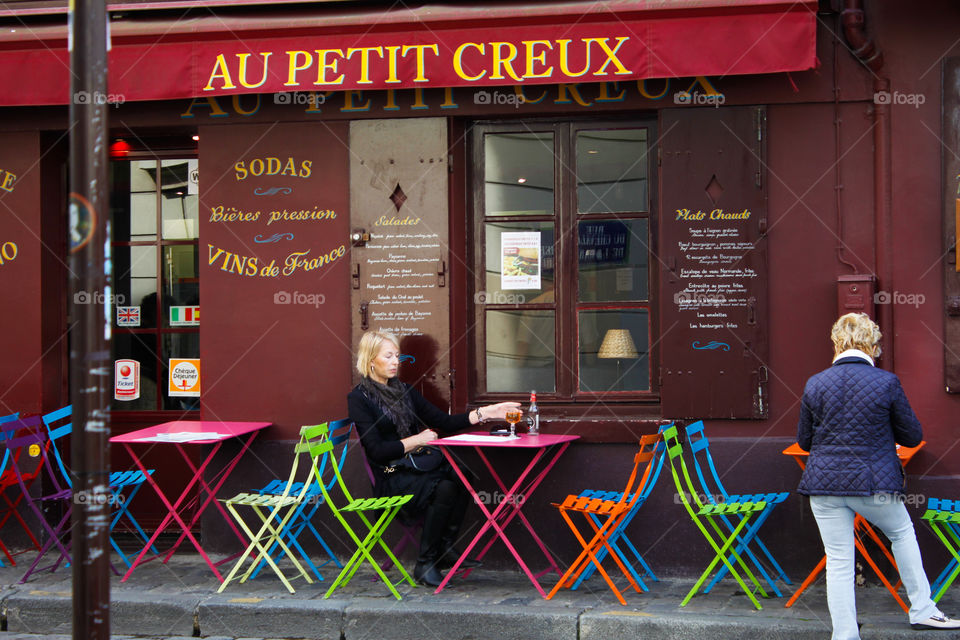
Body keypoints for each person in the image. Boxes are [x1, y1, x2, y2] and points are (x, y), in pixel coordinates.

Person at [797, 313, 960, 638]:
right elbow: (912, 436)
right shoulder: (886, 383)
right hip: (873, 484)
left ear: (837, 343)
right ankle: (923, 610)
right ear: (872, 345)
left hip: (823, 485)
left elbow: (804, 441)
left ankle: (845, 634)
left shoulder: (815, 383)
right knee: (901, 534)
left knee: (839, 559)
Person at [348, 330, 520, 587]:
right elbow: (376, 451)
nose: (396, 361)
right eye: (389, 356)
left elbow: (444, 422)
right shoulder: (358, 398)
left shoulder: (404, 390)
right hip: (390, 474)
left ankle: (443, 550)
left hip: (414, 468)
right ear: (371, 360)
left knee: (460, 476)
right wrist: (417, 440)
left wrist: (487, 412)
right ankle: (426, 561)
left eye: (398, 356)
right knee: (443, 486)